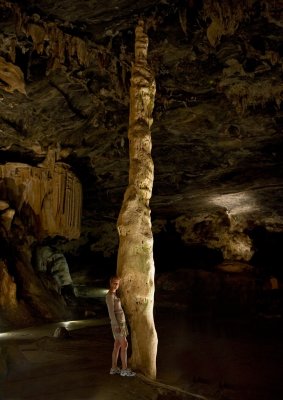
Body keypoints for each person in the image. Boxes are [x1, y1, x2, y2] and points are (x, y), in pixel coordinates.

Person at [105, 275, 136, 377]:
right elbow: (111, 313)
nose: (116, 285)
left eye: (118, 283)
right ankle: (124, 369)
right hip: (118, 324)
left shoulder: (114, 294)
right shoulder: (109, 296)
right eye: (114, 283)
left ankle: (114, 368)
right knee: (125, 345)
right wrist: (115, 325)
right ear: (110, 283)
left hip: (121, 323)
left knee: (117, 345)